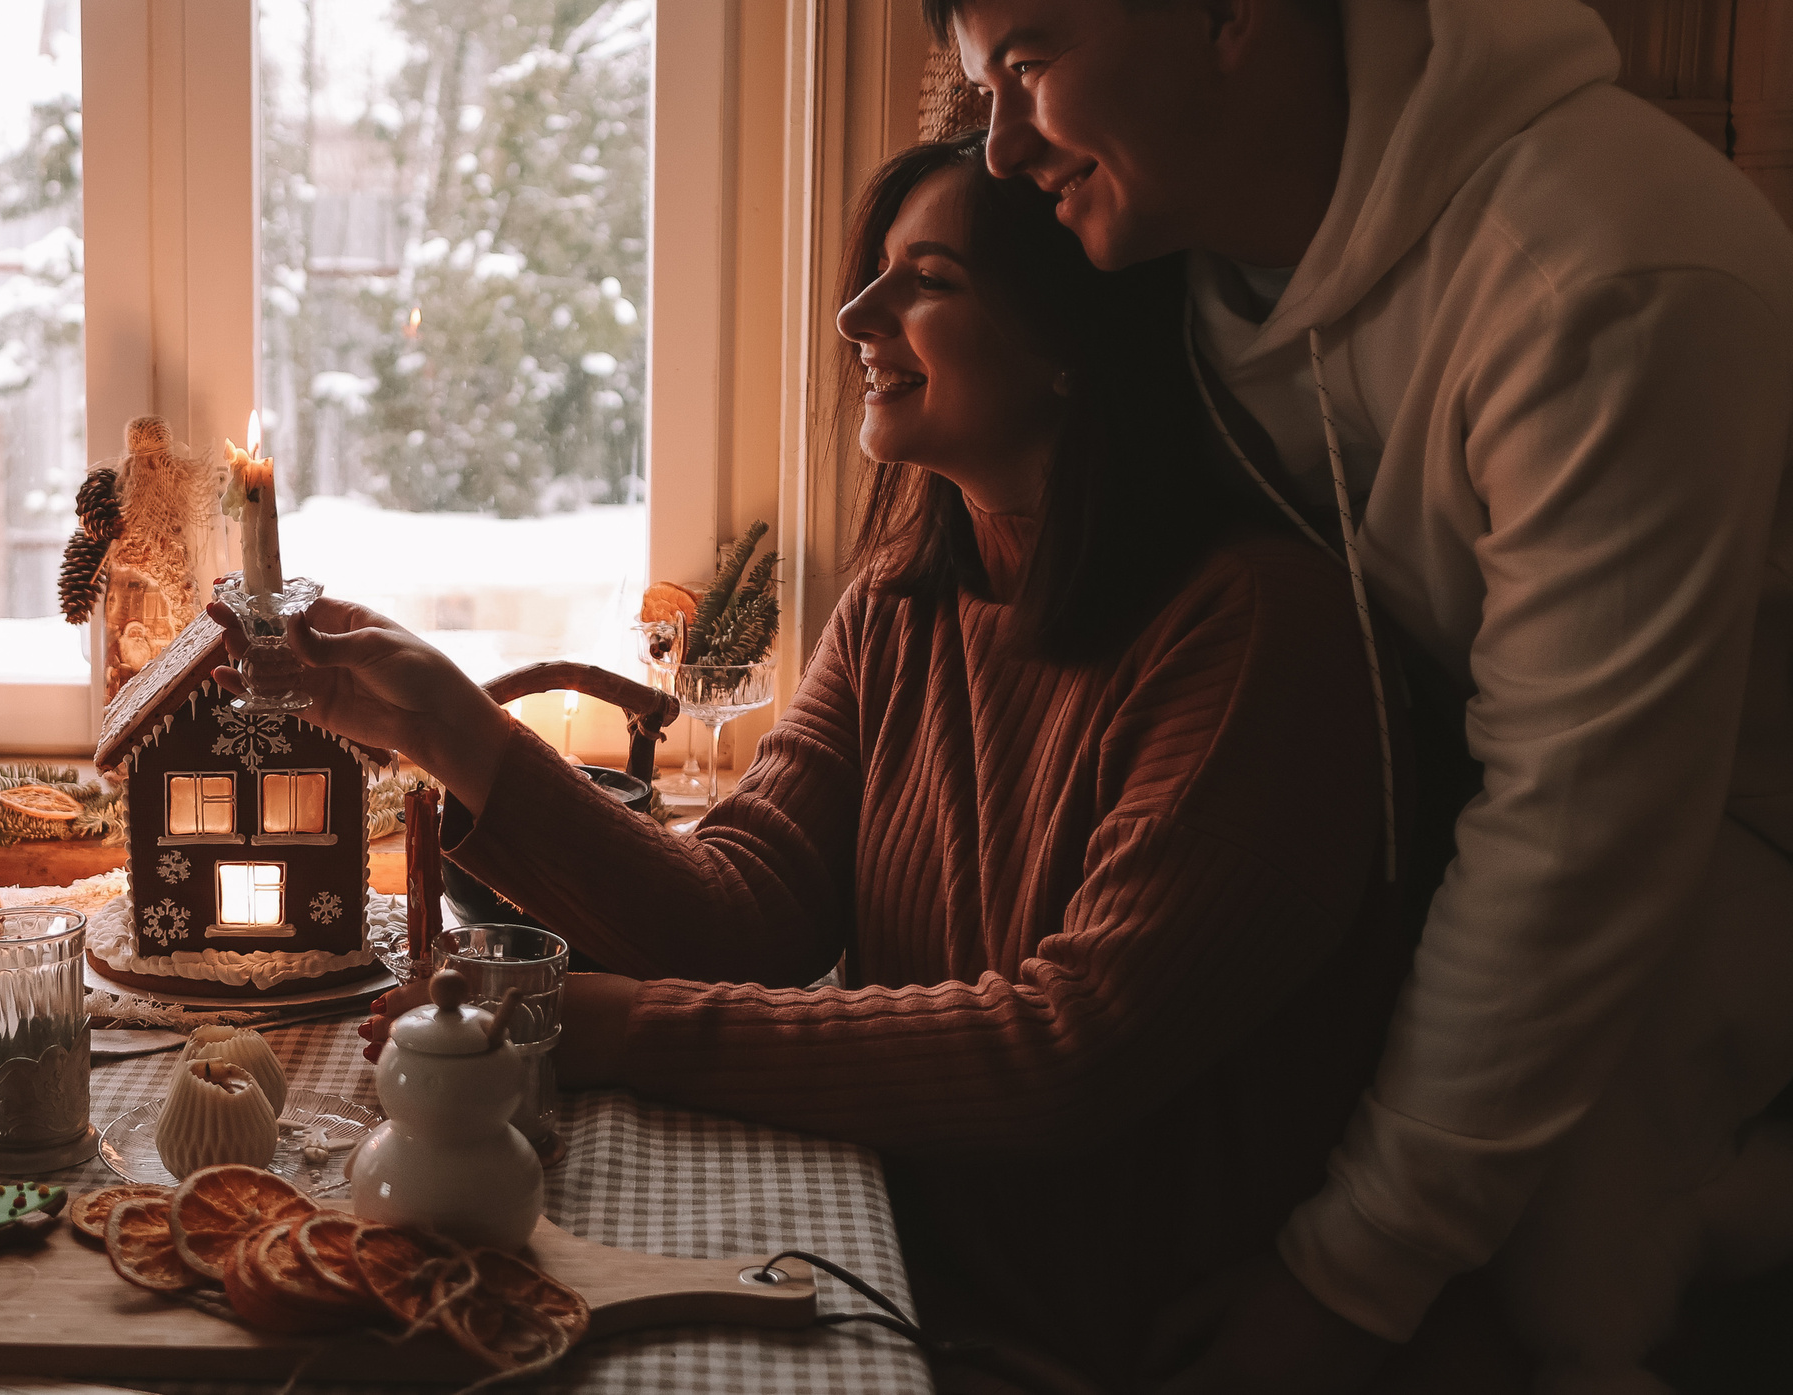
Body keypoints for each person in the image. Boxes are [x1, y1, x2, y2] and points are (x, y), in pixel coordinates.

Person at [218, 134, 1414, 1387]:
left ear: (1073, 338)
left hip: (1116, 1338)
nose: (857, 315)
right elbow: (739, 919)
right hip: (909, 1273)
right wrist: (450, 730)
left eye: (927, 278)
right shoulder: (905, 607)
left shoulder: (1255, 632)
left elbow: (1063, 1052)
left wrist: (606, 1025)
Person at [925, 0, 1793, 1393]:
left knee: (1561, 1289)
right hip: (1453, 816)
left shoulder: (1601, 278)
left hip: (1725, 842)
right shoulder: (1194, 257)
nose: (999, 148)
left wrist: (1345, 1282)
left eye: (1027, 67)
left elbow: (1581, 832)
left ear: (1224, 7)